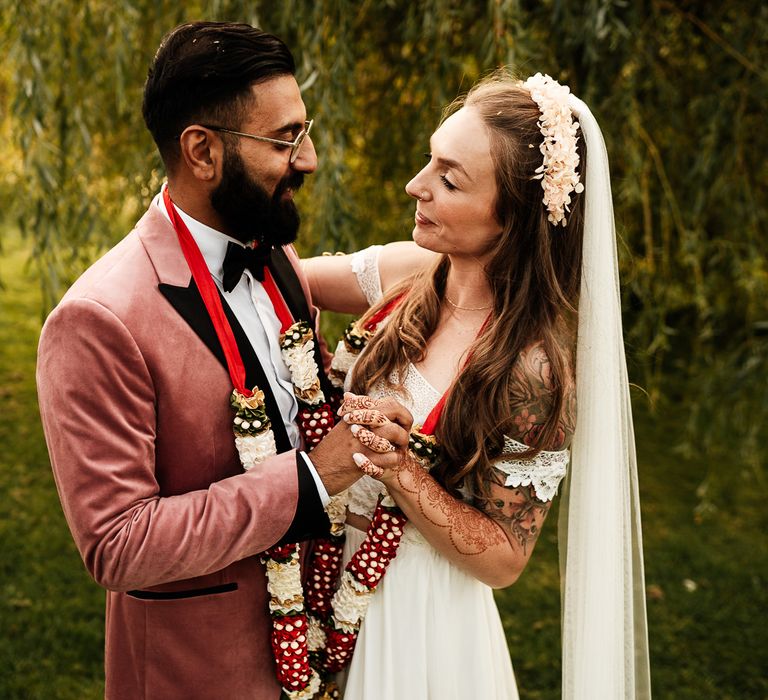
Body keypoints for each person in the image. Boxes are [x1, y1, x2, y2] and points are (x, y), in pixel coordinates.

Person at [35, 21, 409, 700]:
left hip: (320, 656)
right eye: (286, 138)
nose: (311, 158)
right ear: (202, 151)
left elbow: (299, 404)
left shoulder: (279, 259)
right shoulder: (97, 320)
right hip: (198, 675)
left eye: (305, 129)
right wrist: (310, 479)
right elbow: (117, 544)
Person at [302, 71, 652, 698]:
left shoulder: (531, 368)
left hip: (414, 622)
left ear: (513, 220)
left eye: (449, 178)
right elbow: (286, 283)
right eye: (430, 161)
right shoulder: (412, 273)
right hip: (315, 579)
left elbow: (505, 557)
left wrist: (402, 470)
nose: (417, 185)